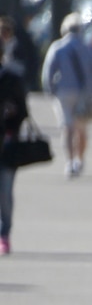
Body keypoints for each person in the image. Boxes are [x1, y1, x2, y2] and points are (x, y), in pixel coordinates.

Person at [41, 13, 92, 178]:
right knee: (81, 129)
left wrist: (51, 89)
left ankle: (69, 161)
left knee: (67, 128)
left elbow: (48, 72)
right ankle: (80, 160)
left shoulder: (58, 47)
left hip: (64, 92)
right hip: (84, 92)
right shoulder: (89, 48)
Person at [0, 36, 30, 255]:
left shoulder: (11, 79)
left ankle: (4, 233)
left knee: (5, 191)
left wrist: (12, 121)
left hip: (7, 143)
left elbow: (23, 111)